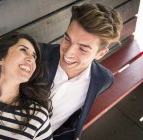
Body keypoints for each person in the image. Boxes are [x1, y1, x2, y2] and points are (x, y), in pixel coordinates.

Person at [39, 3, 123, 140]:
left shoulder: (102, 80)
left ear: (100, 54)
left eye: (83, 49)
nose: (68, 52)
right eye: (67, 39)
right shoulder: (36, 56)